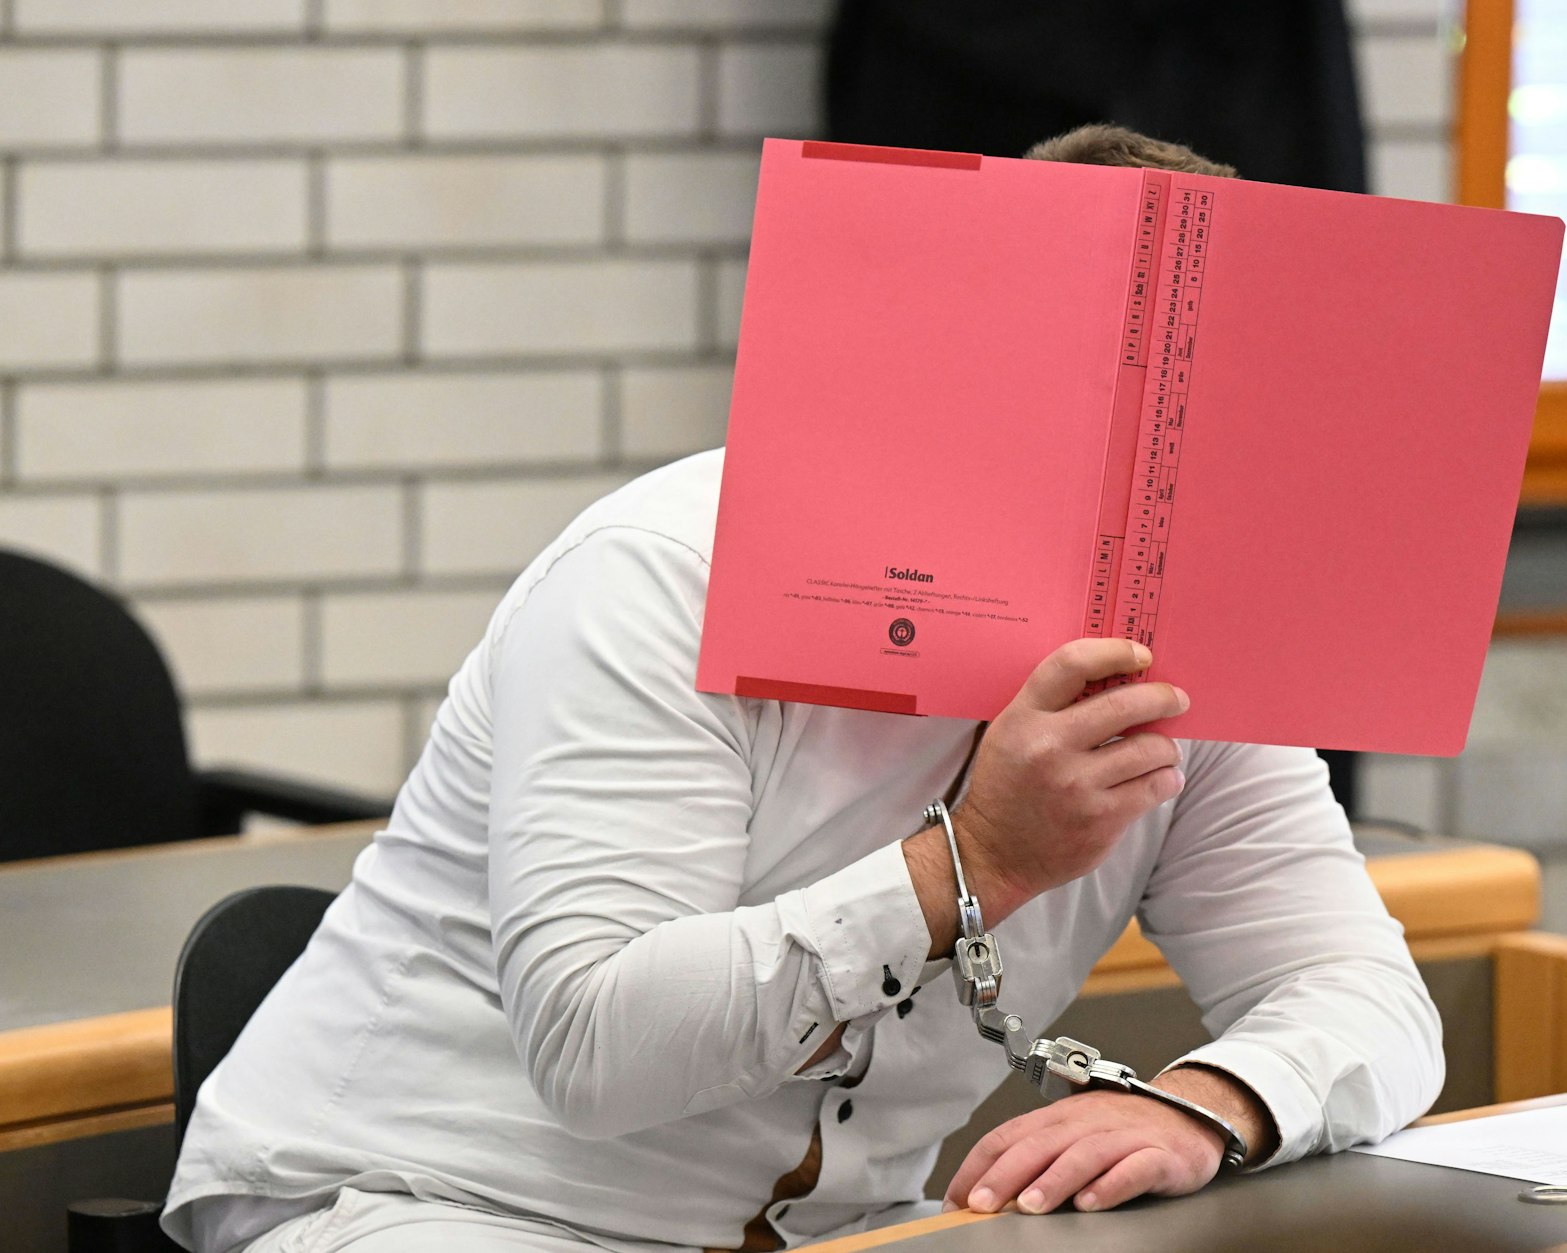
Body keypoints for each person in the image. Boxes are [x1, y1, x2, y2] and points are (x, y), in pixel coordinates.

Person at [163, 126, 1444, 1253]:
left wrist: (1209, 1105)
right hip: (431, 1199)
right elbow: (594, 1047)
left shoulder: (1184, 640)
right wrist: (977, 861)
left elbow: (1368, 998)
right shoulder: (663, 571)